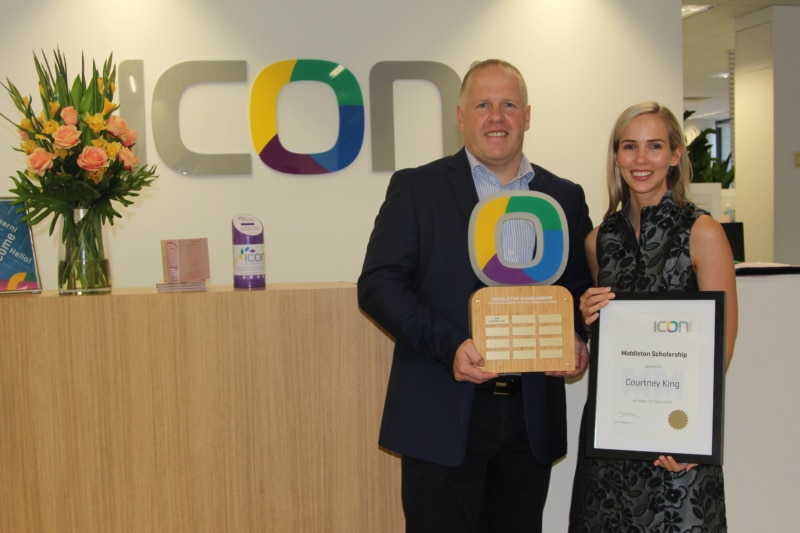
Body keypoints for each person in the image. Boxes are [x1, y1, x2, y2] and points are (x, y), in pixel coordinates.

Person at [357, 59, 593, 533]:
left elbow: (578, 291)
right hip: (442, 412)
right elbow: (379, 284)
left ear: (528, 116)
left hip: (529, 419)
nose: (496, 117)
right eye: (483, 105)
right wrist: (450, 346)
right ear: (461, 117)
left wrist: (575, 337)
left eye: (509, 105)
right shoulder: (417, 188)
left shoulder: (564, 196)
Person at [568, 101, 738, 532]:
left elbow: (722, 339)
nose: (641, 159)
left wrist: (693, 437)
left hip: (677, 438)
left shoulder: (703, 232)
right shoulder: (598, 240)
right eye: (629, 147)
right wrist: (587, 316)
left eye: (655, 146)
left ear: (676, 155)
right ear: (616, 156)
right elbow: (610, 335)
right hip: (613, 433)